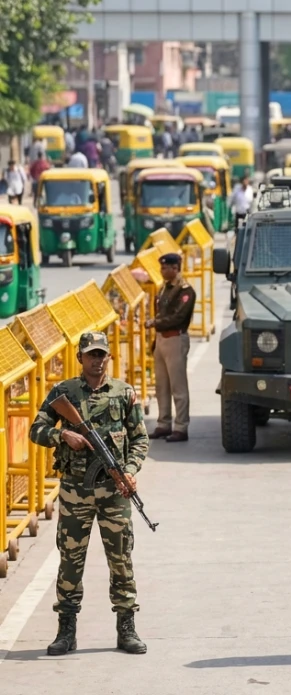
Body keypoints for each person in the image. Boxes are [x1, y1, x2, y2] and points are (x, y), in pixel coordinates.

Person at [29, 332, 150, 656]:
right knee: (70, 562)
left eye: (101, 355)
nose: (96, 360)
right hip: (75, 492)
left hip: (114, 493)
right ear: (80, 357)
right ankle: (66, 631)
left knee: (121, 560)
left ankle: (127, 629)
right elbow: (36, 430)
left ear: (108, 357)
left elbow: (140, 439)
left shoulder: (123, 393)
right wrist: (62, 434)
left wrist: (130, 470)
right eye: (90, 355)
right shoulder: (64, 393)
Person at [145, 253, 195, 443]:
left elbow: (178, 317)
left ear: (175, 268)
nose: (162, 271)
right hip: (162, 340)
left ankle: (181, 426)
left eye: (165, 268)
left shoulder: (185, 290)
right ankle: (163, 423)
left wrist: (154, 323)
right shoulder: (164, 288)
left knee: (178, 386)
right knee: (161, 386)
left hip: (175, 338)